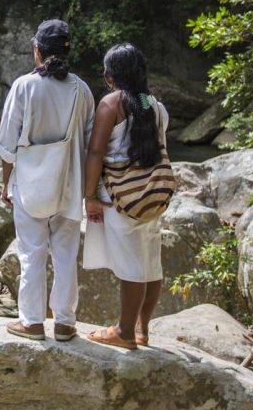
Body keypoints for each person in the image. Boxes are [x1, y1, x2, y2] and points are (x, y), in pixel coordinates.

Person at [0, 19, 95, 341]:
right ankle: (65, 323)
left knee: (31, 252)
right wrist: (90, 192)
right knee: (65, 255)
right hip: (69, 185)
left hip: (30, 187)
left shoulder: (24, 87)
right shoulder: (82, 90)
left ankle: (32, 322)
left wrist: (5, 184)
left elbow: (8, 146)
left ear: (37, 50)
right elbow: (92, 145)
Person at [82, 43, 168, 350]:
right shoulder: (151, 104)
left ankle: (125, 331)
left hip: (121, 197)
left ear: (110, 76)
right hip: (151, 196)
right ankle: (143, 330)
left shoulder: (111, 104)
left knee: (133, 265)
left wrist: (90, 195)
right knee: (150, 264)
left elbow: (95, 151)